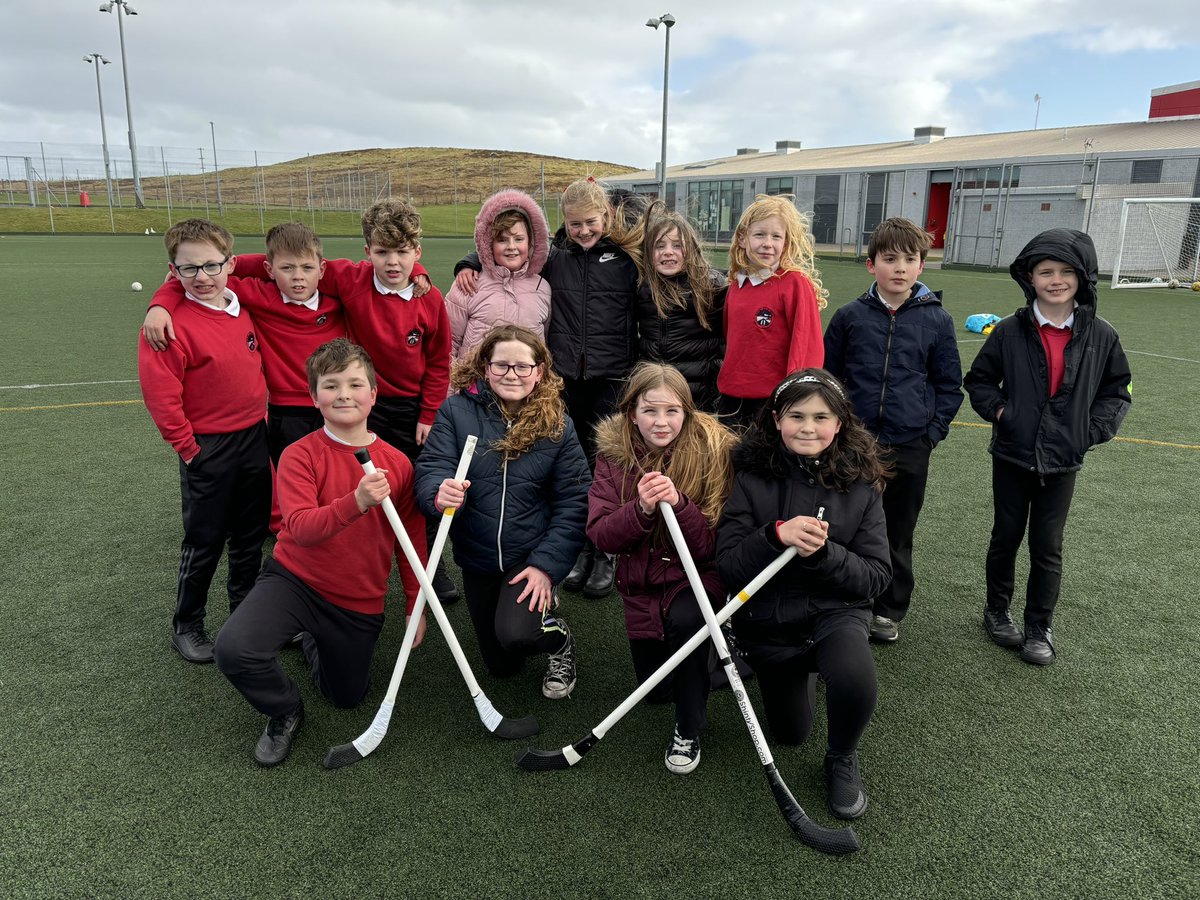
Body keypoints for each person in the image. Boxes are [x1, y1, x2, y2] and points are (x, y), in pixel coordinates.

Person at [230, 199, 457, 601]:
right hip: (362, 405)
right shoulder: (349, 278)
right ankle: (331, 563)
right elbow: (280, 260)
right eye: (383, 252)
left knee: (416, 488)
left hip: (411, 411)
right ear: (366, 252)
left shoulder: (430, 299)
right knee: (349, 485)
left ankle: (428, 569)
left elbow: (439, 362)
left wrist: (429, 413)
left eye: (404, 253)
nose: (393, 262)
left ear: (417, 253)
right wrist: (215, 267)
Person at [214, 338, 426, 766]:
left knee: (345, 697)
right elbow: (301, 529)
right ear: (314, 397)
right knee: (233, 649)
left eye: (354, 384)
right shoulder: (299, 454)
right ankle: (284, 710)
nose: (343, 394)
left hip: (356, 599)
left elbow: (411, 542)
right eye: (331, 386)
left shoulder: (399, 463)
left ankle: (312, 638)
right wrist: (357, 501)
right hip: (294, 581)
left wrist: (413, 605)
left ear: (373, 393)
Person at [453, 177, 642, 598]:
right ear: (564, 225)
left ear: (606, 217)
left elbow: (673, 261)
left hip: (613, 378)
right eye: (574, 224)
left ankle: (604, 552)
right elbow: (508, 253)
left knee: (607, 466)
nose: (584, 231)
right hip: (564, 381)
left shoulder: (629, 258)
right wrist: (468, 262)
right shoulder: (554, 260)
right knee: (571, 469)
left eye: (591, 222)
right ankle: (576, 548)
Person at [716, 369, 892, 820]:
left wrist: (823, 555)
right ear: (776, 419)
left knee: (854, 676)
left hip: (835, 613)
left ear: (840, 423)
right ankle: (800, 673)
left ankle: (841, 757)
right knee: (791, 733)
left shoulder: (862, 485)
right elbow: (730, 568)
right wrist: (775, 536)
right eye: (796, 416)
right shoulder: (750, 477)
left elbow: (875, 578)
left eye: (821, 417)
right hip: (769, 623)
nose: (808, 428)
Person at [964, 229, 1131, 666]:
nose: (1056, 280)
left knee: (1047, 545)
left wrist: (1089, 431)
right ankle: (997, 613)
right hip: (1013, 455)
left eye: (1065, 271)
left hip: (1062, 461)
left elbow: (1117, 391)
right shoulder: (1008, 331)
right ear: (1030, 278)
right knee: (1006, 537)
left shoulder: (1102, 335)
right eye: (1045, 271)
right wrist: (1002, 413)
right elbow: (979, 381)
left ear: (1082, 278)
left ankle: (1039, 626)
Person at [414, 324, 590, 700]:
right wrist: (437, 492)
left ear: (539, 371)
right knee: (501, 666)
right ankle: (525, 616)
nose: (512, 375)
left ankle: (559, 641)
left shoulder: (557, 423)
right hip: (477, 557)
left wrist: (546, 566)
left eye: (522, 367)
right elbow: (432, 468)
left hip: (528, 556)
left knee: (518, 635)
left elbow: (574, 502)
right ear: (485, 367)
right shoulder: (455, 411)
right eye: (502, 365)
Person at [587, 363, 736, 773]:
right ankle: (725, 655)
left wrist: (682, 506)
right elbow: (601, 535)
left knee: (688, 628)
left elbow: (709, 548)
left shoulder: (712, 450)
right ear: (631, 411)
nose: (661, 421)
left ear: (687, 412)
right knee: (655, 690)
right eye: (650, 410)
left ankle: (690, 728)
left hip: (695, 577)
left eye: (672, 411)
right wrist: (641, 509)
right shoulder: (613, 457)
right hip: (642, 586)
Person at [137, 218, 271, 664]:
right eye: (189, 269)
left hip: (254, 438)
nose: (203, 277)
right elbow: (161, 395)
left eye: (213, 265)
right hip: (207, 448)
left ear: (230, 263)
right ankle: (187, 624)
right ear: (172, 273)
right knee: (205, 539)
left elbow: (274, 263)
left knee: (251, 536)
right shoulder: (166, 324)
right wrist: (190, 450)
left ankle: (245, 616)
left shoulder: (240, 303)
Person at [823, 217, 963, 644]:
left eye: (909, 259)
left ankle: (889, 609)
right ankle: (848, 600)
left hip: (909, 445)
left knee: (898, 530)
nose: (899, 268)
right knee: (847, 526)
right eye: (889, 259)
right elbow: (829, 379)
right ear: (871, 265)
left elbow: (948, 384)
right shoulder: (849, 317)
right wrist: (839, 433)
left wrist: (930, 433)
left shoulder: (937, 320)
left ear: (922, 266)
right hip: (855, 445)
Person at [142, 221, 347, 465]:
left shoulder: (340, 297)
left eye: (306, 267)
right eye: (287, 268)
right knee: (295, 479)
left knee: (341, 475)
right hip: (288, 413)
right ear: (270, 270)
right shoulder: (256, 293)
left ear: (321, 269)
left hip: (337, 404)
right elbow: (206, 278)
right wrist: (162, 301)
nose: (298, 277)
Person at [717, 195, 827, 430]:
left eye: (776, 236)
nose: (768, 243)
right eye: (759, 234)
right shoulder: (736, 286)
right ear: (742, 239)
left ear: (785, 244)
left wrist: (794, 399)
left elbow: (807, 348)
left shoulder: (795, 283)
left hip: (772, 403)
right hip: (730, 399)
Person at [635, 202, 727, 412]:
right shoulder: (644, 288)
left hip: (699, 393)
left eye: (677, 245)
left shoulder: (712, 286)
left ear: (691, 248)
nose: (668, 252)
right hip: (657, 392)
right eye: (660, 246)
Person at [444, 189, 551, 364]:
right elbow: (449, 343)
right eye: (502, 240)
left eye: (518, 239)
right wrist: (451, 389)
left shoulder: (543, 288)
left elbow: (543, 347)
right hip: (473, 387)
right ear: (488, 245)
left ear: (531, 242)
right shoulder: (468, 284)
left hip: (524, 387)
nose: (511, 246)